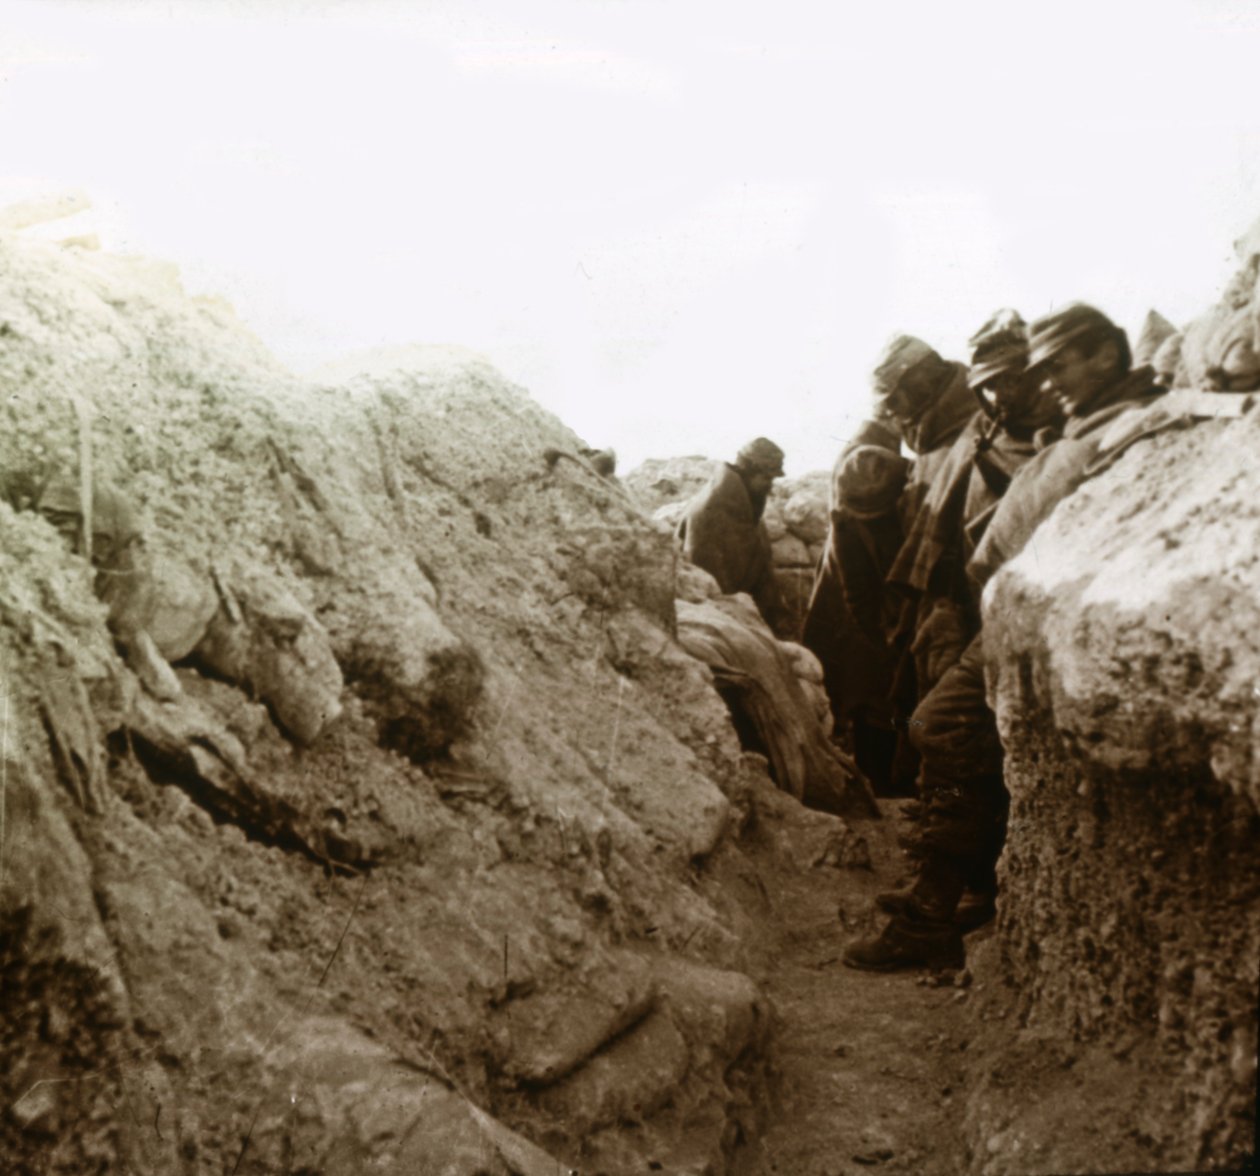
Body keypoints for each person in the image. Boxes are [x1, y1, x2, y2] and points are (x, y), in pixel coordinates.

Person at [844, 303, 1161, 972]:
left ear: (1107, 356)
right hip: (988, 607)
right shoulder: (1039, 429)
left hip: (1042, 616)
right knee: (942, 731)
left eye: (1051, 368)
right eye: (998, 381)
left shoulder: (1127, 425)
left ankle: (934, 911)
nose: (1029, 388)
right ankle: (961, 888)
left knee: (945, 726)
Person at [802, 444, 910, 793]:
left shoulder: (913, 495)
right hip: (866, 632)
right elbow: (858, 597)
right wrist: (891, 644)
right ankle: (881, 787)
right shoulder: (846, 526)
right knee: (875, 705)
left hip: (906, 616)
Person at [677, 436, 790, 636]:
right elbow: (708, 589)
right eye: (766, 478)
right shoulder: (709, 514)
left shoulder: (746, 509)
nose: (770, 486)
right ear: (748, 472)